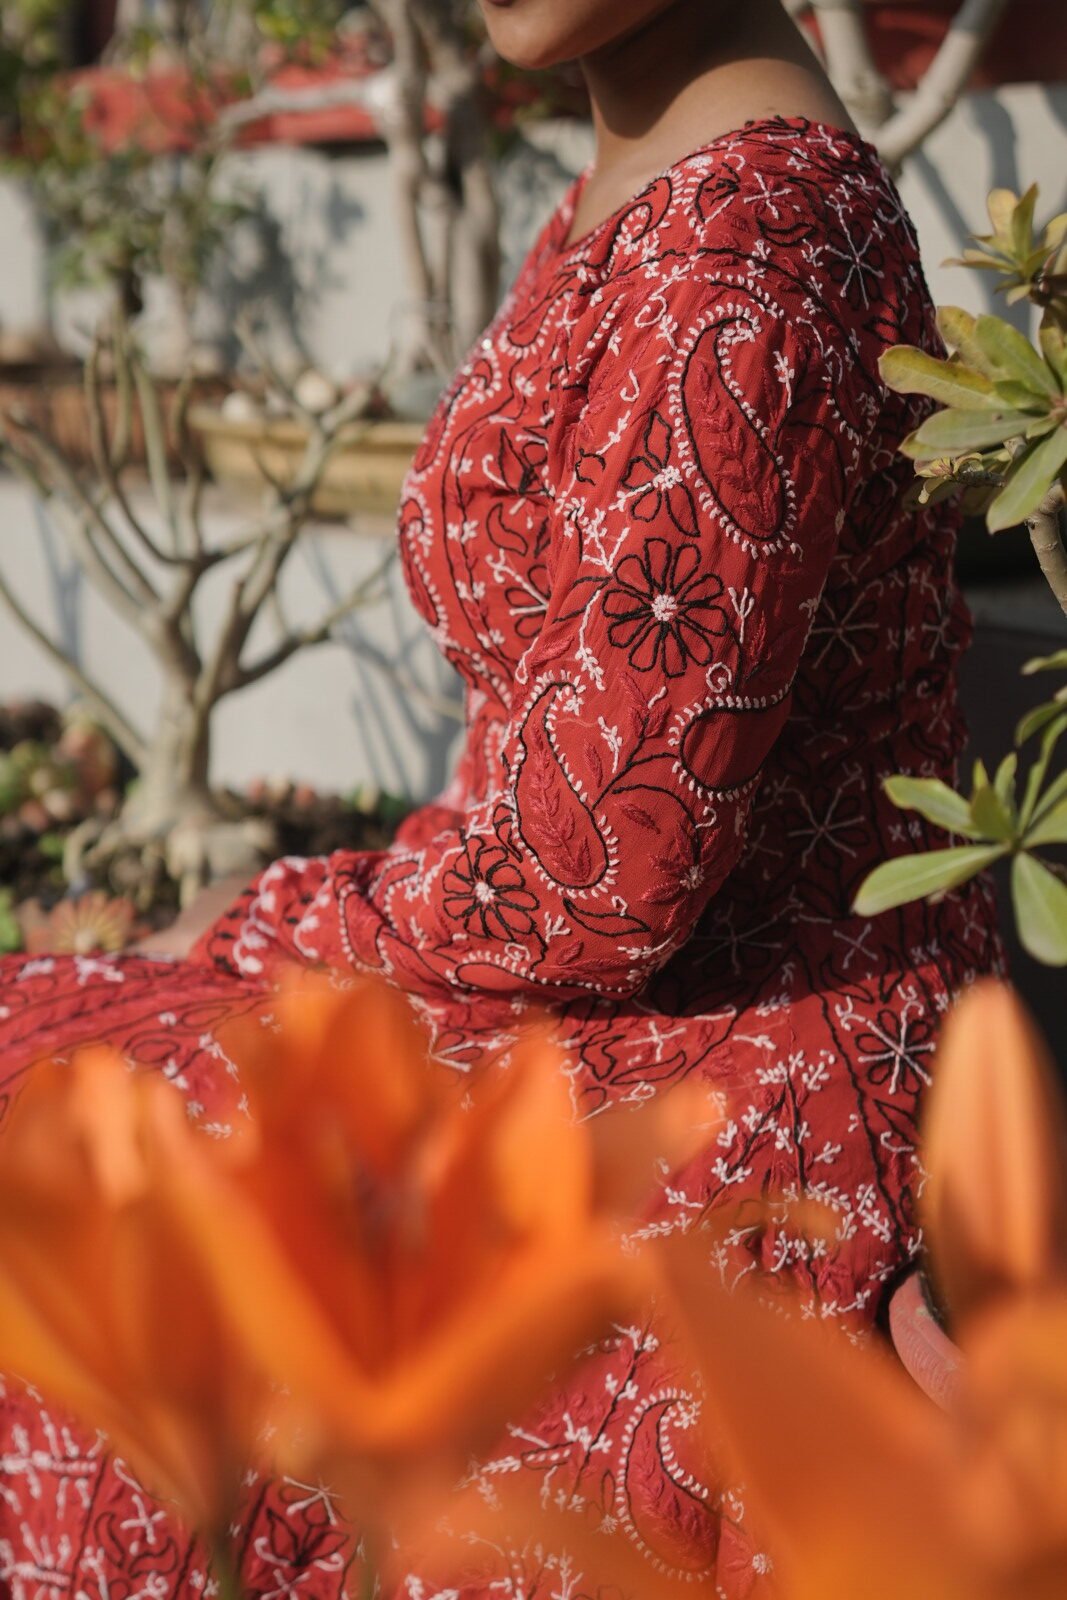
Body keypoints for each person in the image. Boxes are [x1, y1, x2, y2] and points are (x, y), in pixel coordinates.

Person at [0, 1, 1003, 1596]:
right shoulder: (643, 183)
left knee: (111, 1205)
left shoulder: (750, 255)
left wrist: (282, 916)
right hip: (580, 983)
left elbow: (601, 872)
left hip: (737, 1057)